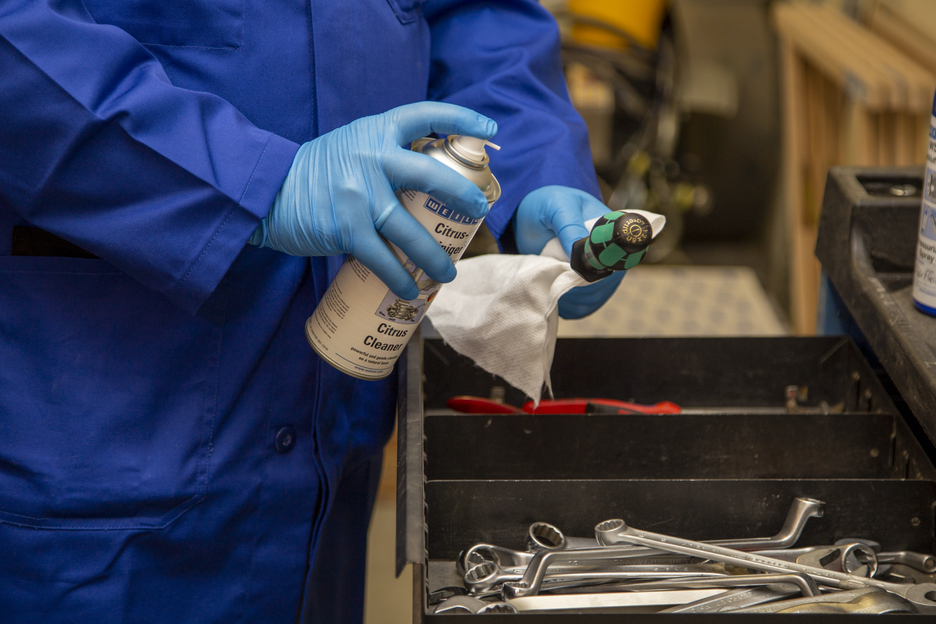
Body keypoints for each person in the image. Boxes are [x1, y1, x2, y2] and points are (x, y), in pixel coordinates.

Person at [0, 1, 625, 622]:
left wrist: (538, 167)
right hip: (105, 419)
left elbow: (476, 17)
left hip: (329, 444)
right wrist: (246, 180)